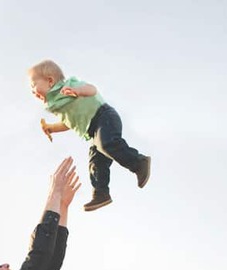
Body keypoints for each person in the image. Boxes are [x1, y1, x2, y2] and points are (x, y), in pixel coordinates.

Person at [29, 59, 151, 212]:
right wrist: (51, 128)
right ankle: (101, 193)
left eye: (33, 85)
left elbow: (92, 90)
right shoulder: (59, 105)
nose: (32, 91)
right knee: (96, 160)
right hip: (94, 130)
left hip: (104, 116)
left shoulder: (67, 87)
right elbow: (68, 122)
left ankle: (139, 162)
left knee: (106, 144)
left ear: (50, 81)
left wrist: (79, 91)